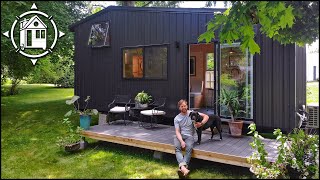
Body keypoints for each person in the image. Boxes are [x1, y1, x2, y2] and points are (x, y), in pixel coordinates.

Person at [174, 99, 209, 177]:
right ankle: (184, 168)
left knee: (189, 148)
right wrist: (181, 141)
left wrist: (201, 123)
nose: (184, 107)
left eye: (185, 106)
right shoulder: (177, 118)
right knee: (177, 148)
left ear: (187, 106)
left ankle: (182, 168)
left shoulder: (192, 113)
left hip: (189, 136)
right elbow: (177, 132)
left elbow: (206, 116)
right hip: (179, 136)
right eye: (182, 106)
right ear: (179, 108)